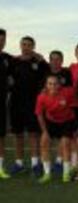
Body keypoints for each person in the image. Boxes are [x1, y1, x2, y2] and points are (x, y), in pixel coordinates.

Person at [9, 36, 50, 176]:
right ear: (20, 46)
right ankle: (19, 164)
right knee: (18, 134)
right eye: (23, 44)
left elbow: (50, 73)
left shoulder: (38, 62)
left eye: (29, 45)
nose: (26, 47)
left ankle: (35, 164)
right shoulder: (13, 61)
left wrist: (42, 59)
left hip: (33, 103)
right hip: (15, 103)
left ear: (33, 47)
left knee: (33, 134)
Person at [35, 75, 75, 183]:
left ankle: (66, 173)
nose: (53, 86)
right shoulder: (41, 97)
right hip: (51, 122)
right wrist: (44, 131)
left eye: (55, 83)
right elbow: (39, 115)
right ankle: (47, 174)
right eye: (50, 83)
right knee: (44, 143)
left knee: (66, 144)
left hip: (67, 121)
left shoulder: (67, 92)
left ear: (59, 84)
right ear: (46, 85)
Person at [0, 28, 12, 179]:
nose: (0, 42)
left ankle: (0, 168)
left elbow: (24, 58)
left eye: (3, 40)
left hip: (1, 103)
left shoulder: (7, 58)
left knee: (0, 136)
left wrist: (37, 56)